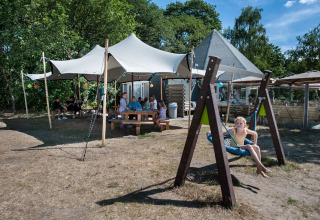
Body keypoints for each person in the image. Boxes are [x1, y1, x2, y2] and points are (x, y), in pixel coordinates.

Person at [207, 116, 272, 178]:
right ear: (235, 124)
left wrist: (255, 143)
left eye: (241, 123)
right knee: (249, 146)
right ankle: (261, 166)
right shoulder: (233, 130)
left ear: (244, 125)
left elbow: (255, 134)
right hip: (234, 146)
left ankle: (258, 169)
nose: (239, 124)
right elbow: (221, 133)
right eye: (237, 123)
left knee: (257, 147)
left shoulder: (245, 130)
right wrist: (211, 133)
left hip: (241, 146)